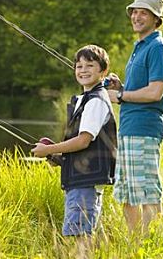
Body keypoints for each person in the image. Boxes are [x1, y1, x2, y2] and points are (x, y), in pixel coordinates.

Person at [31, 44, 117, 258]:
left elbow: (83, 141)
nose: (83, 70)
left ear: (102, 71)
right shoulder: (85, 99)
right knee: (80, 234)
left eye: (90, 65)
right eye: (79, 66)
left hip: (85, 181)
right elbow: (82, 147)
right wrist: (59, 158)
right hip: (82, 178)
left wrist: (48, 148)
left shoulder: (96, 101)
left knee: (81, 236)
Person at [106, 0, 163, 238]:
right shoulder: (140, 47)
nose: (136, 16)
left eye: (143, 12)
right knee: (127, 193)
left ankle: (152, 247)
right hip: (129, 130)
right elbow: (141, 90)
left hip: (144, 130)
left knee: (146, 192)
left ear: (156, 18)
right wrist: (121, 88)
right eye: (134, 11)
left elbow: (156, 91)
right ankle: (136, 246)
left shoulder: (157, 47)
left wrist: (122, 97)